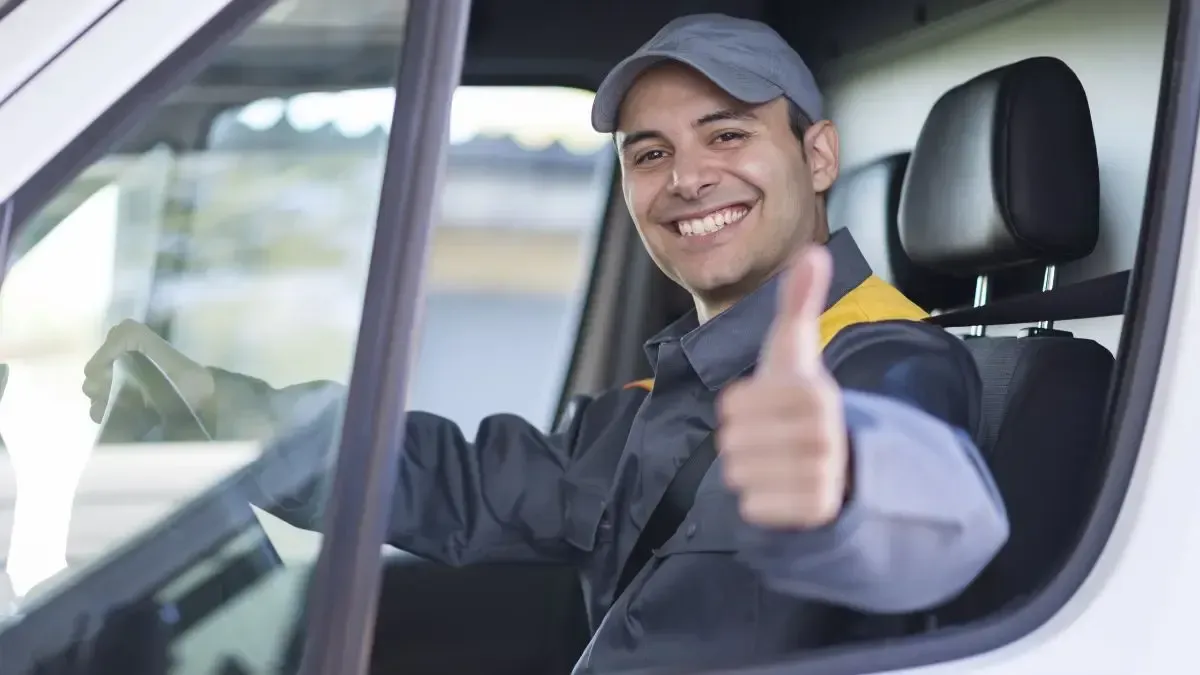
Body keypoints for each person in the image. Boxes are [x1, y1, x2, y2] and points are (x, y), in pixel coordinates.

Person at [81, 13, 1008, 674]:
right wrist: (233, 409)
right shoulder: (670, 392)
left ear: (817, 157)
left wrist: (844, 482)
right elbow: (463, 483)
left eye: (726, 134)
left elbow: (928, 507)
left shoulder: (882, 359)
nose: (686, 176)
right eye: (649, 153)